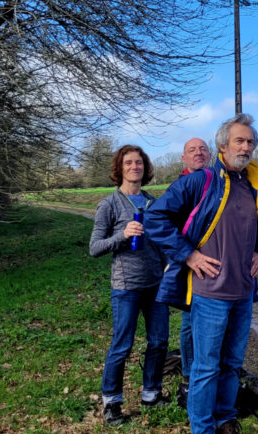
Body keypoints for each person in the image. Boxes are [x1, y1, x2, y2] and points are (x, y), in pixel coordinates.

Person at [145, 114, 258, 434]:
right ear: (222, 145)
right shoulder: (199, 181)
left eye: (250, 142)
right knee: (205, 366)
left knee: (232, 364)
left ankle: (224, 417)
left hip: (243, 292)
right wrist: (188, 254)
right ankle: (202, 428)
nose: (245, 147)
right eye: (239, 141)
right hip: (209, 293)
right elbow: (155, 219)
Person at [89, 145, 170, 426]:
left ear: (145, 168)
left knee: (159, 342)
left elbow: (162, 242)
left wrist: (168, 265)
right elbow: (94, 248)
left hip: (156, 285)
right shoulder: (109, 204)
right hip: (126, 286)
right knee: (122, 345)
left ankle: (151, 394)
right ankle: (112, 402)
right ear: (120, 168)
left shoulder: (153, 203)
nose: (134, 167)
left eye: (139, 162)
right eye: (128, 163)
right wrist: (123, 235)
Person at [175, 137, 213, 409]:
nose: (198, 153)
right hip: (188, 265)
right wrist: (187, 254)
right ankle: (189, 375)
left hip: (216, 264)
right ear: (184, 158)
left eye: (202, 149)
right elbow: (166, 226)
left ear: (209, 155)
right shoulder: (179, 187)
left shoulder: (218, 184)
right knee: (190, 322)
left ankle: (218, 372)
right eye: (192, 150)